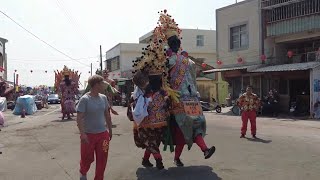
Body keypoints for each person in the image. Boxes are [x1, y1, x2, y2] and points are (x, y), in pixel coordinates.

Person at [155, 10, 215, 167]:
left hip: (178, 100)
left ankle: (173, 155)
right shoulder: (189, 62)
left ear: (170, 45)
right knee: (193, 126)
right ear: (179, 45)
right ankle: (203, 149)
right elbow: (194, 81)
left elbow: (161, 78)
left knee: (180, 130)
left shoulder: (167, 61)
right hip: (192, 98)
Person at [130, 43, 170, 169]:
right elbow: (132, 111)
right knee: (151, 142)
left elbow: (167, 105)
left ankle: (145, 160)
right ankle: (159, 161)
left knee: (154, 142)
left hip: (159, 123)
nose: (156, 81)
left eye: (158, 78)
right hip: (145, 124)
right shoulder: (139, 95)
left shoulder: (162, 92)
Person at [76, 75, 112, 180]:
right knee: (87, 158)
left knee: (102, 159)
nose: (104, 85)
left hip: (103, 134)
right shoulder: (85, 99)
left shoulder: (103, 98)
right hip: (88, 135)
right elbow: (79, 118)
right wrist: (82, 134)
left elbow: (107, 114)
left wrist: (110, 130)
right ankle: (83, 172)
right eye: (102, 83)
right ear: (96, 85)